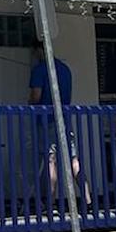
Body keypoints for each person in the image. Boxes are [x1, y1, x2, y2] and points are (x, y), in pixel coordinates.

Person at [28, 40, 89, 206]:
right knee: (73, 159)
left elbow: (36, 96)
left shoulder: (39, 70)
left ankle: (51, 203)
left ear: (39, 50)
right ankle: (87, 199)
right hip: (65, 119)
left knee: (51, 160)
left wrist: (29, 104)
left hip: (47, 120)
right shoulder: (65, 69)